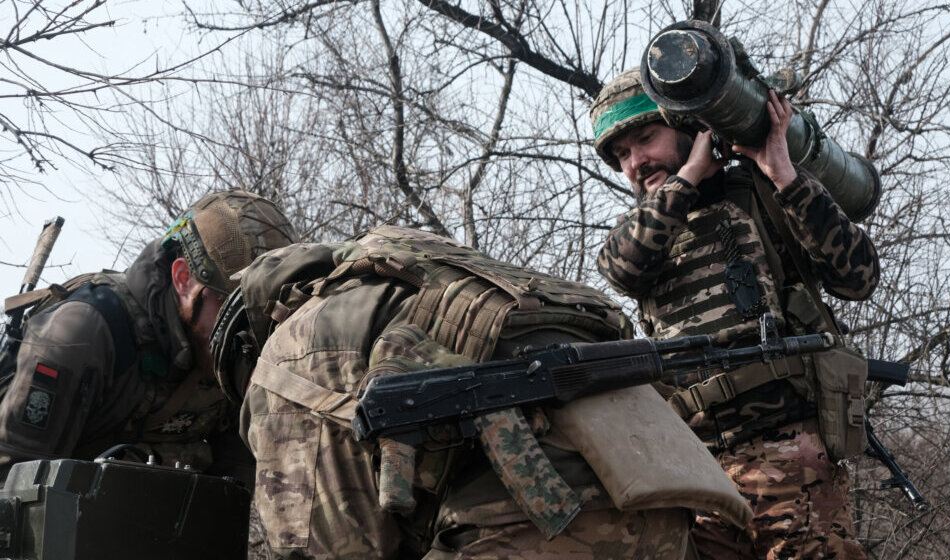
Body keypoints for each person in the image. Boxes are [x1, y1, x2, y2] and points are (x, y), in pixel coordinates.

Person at [211, 225, 751, 560]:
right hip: (666, 516)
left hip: (538, 532)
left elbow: (336, 547)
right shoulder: (422, 280)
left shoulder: (288, 356)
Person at [591, 68, 879, 559]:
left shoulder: (764, 193)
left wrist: (785, 176)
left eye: (646, 139)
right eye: (622, 156)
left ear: (688, 130)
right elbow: (621, 267)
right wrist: (684, 181)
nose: (636, 162)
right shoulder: (645, 233)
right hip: (695, 470)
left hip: (788, 455)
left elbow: (859, 276)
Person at [0, 190, 298, 482]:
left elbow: (234, 496)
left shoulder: (240, 356)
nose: (250, 334)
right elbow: (14, 490)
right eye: (231, 308)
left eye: (263, 317)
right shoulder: (81, 334)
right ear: (184, 280)